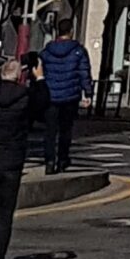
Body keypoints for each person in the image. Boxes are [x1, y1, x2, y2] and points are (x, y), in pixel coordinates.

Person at [0, 57, 48, 259]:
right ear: (20, 76)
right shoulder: (25, 98)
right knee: (3, 216)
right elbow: (44, 107)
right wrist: (40, 78)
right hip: (11, 161)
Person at [38, 18, 91, 176]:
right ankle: (62, 159)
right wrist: (88, 93)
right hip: (70, 96)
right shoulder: (78, 51)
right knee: (66, 130)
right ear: (71, 31)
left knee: (50, 131)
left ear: (58, 31)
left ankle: (49, 161)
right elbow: (84, 73)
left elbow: (39, 70)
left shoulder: (47, 51)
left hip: (51, 96)